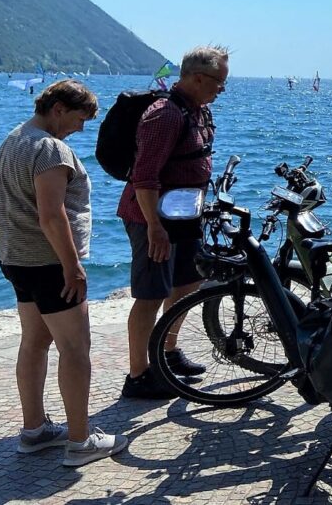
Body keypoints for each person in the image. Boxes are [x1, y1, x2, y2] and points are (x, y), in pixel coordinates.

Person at [0, 80, 128, 466]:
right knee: (75, 349)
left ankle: (34, 431)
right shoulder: (50, 148)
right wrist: (73, 266)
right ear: (59, 108)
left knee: (34, 342)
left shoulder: (11, 141)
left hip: (16, 259)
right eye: (80, 119)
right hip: (50, 264)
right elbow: (51, 214)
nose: (80, 129)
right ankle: (81, 442)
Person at [119, 46, 229, 399]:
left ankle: (167, 352)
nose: (221, 89)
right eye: (219, 82)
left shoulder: (198, 111)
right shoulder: (164, 114)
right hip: (153, 218)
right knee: (151, 294)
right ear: (197, 78)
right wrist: (154, 227)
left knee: (188, 284)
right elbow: (144, 176)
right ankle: (138, 375)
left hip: (184, 214)